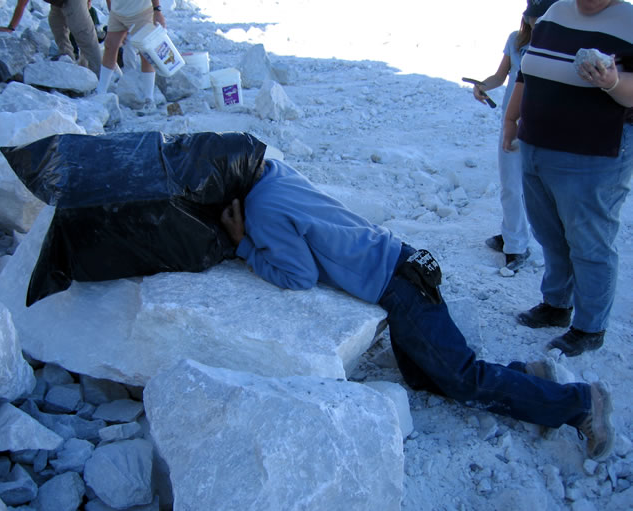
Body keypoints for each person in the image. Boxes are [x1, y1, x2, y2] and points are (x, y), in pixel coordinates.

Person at [218, 156, 615, 461]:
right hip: (404, 263)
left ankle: (580, 404)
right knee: (423, 376)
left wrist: (243, 245)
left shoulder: (261, 210)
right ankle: (531, 378)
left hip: (398, 286)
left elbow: (298, 275)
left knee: (462, 378)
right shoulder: (272, 173)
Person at [502, 0, 633, 357]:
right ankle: (557, 305)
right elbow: (527, 73)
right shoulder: (555, 13)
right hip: (537, 145)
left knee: (590, 241)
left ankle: (590, 327)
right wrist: (511, 121)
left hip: (594, 155)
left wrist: (612, 81)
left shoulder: (629, 20)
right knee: (550, 234)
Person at [470, 1, 546, 270]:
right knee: (510, 186)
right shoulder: (516, 40)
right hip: (511, 123)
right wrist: (482, 85)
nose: (536, 21)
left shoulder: (561, 41)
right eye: (532, 16)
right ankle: (515, 243)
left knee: (538, 189)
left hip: (544, 125)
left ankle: (519, 237)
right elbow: (501, 76)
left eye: (542, 15)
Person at [0, 0, 102, 77]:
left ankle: (99, 75)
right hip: (58, 2)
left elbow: (22, 4)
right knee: (56, 22)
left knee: (84, 35)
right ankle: (67, 60)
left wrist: (11, 28)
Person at [95, 0, 165, 113]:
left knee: (145, 52)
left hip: (141, 12)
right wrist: (111, 11)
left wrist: (157, 10)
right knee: (110, 46)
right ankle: (100, 92)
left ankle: (149, 99)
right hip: (117, 13)